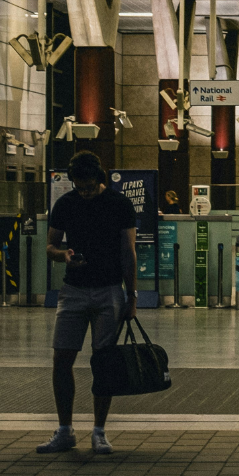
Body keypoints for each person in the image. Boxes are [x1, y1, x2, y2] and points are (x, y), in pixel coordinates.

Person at [39, 151, 138, 455]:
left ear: (100, 178)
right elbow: (51, 246)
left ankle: (99, 431)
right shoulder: (65, 204)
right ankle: (65, 429)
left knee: (103, 361)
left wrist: (132, 295)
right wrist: (63, 255)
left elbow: (128, 252)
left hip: (109, 290)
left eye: (89, 186)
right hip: (73, 290)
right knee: (61, 358)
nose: (84, 192)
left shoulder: (119, 204)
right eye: (79, 187)